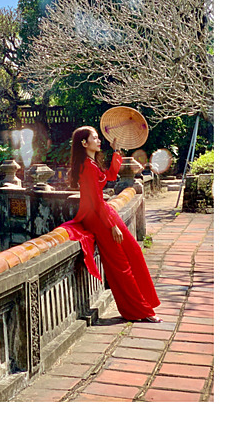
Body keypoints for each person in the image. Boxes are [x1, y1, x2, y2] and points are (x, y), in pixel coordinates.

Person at [61, 125, 162, 323]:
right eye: (95, 138)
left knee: (134, 252)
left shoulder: (90, 163)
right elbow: (95, 201)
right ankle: (139, 311)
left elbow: (110, 177)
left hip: (104, 213)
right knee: (120, 265)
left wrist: (116, 152)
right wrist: (111, 226)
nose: (99, 141)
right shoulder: (87, 166)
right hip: (98, 217)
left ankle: (145, 304)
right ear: (84, 143)